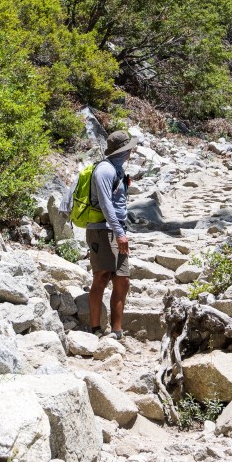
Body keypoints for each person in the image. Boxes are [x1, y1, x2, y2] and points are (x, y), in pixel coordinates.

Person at [87, 130, 135, 340]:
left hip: (116, 229)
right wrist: (119, 232)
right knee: (102, 276)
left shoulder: (118, 170)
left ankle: (117, 331)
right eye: (129, 147)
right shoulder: (105, 170)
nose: (132, 150)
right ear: (123, 150)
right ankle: (95, 329)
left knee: (122, 279)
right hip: (102, 230)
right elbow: (106, 204)